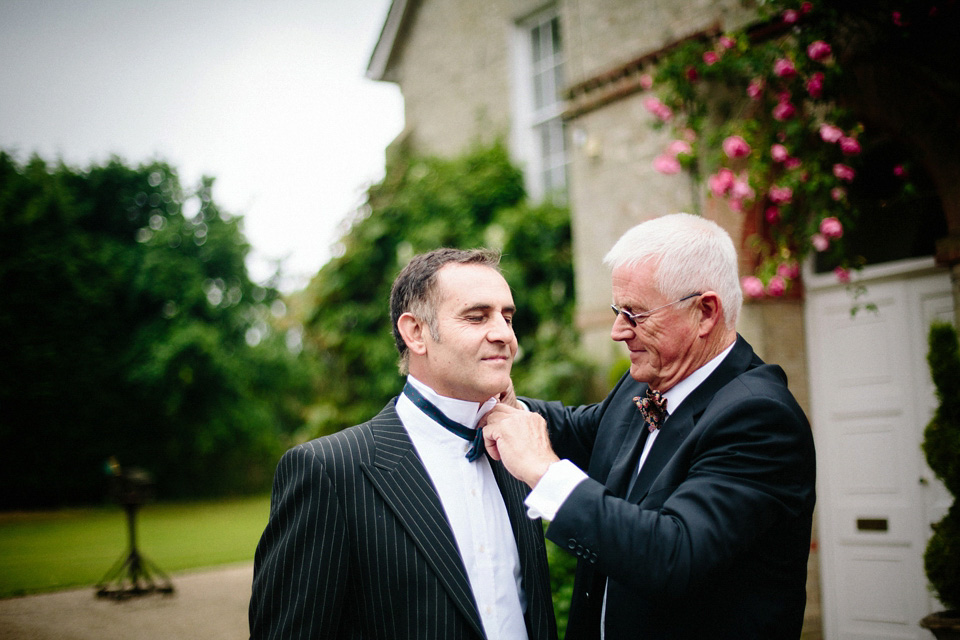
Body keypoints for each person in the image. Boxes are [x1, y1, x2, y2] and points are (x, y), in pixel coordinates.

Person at [482, 213, 816, 640]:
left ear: (705, 312)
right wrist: (487, 395)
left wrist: (543, 472)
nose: (619, 331)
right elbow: (578, 430)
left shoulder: (761, 419)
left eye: (635, 314)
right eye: (617, 311)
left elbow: (674, 556)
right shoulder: (648, 380)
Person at [249, 248, 557, 640]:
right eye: (477, 317)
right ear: (415, 332)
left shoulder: (518, 450)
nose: (504, 335)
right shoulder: (329, 470)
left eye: (508, 317)